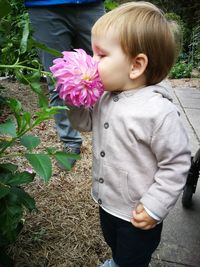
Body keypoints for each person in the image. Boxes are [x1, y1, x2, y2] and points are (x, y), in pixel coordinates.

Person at [67, 2, 191, 266]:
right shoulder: (105, 97)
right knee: (114, 242)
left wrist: (154, 206)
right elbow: (85, 123)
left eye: (100, 55)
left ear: (136, 66)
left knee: (133, 255)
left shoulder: (158, 112)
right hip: (109, 202)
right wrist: (74, 99)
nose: (92, 61)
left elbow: (177, 163)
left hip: (138, 213)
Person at [24, 0, 105, 167]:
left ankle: (115, 133)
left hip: (91, 4)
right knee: (58, 81)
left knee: (104, 70)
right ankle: (70, 142)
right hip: (44, 7)